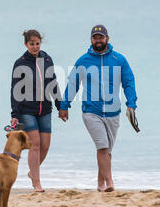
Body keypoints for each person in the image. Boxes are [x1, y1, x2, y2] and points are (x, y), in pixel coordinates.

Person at [58, 25, 137, 192]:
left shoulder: (119, 59)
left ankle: (100, 185)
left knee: (106, 151)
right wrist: (64, 105)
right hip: (91, 111)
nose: (98, 40)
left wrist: (131, 103)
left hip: (113, 112)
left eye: (101, 37)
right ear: (91, 40)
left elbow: (129, 82)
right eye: (95, 37)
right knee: (102, 147)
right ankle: (110, 183)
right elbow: (73, 84)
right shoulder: (83, 61)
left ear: (107, 38)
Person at [10, 29, 62, 192]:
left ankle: (33, 172)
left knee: (45, 146)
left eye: (37, 43)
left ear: (41, 43)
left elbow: (53, 82)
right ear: (26, 44)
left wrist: (61, 106)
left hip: (45, 108)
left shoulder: (47, 59)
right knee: (35, 145)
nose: (35, 46)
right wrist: (15, 115)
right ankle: (37, 183)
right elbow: (15, 90)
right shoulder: (21, 63)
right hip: (27, 110)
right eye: (31, 44)